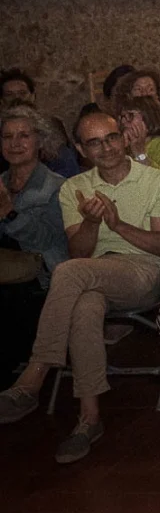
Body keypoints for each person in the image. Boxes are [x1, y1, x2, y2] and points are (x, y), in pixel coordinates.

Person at [0, 112, 160, 463]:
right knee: (84, 306)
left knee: (68, 272)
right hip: (91, 271)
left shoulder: (158, 181)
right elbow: (79, 251)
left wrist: (117, 222)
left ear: (124, 138)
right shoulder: (73, 188)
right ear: (81, 149)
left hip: (142, 272)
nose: (107, 147)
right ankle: (89, 418)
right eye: (94, 142)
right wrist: (93, 223)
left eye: (111, 137)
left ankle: (34, 375)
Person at [0, 106, 68, 387]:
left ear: (40, 141)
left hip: (38, 279)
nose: (15, 143)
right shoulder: (0, 182)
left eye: (23, 136)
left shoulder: (57, 187)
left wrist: (9, 213)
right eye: (7, 137)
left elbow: (48, 240)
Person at [115, 95, 160, 175]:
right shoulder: (121, 150)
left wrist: (139, 154)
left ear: (149, 117)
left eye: (130, 116)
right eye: (121, 117)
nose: (123, 122)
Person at [112, 68, 160, 137]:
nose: (144, 93)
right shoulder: (125, 123)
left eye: (150, 89)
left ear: (158, 94)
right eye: (138, 89)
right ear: (128, 95)